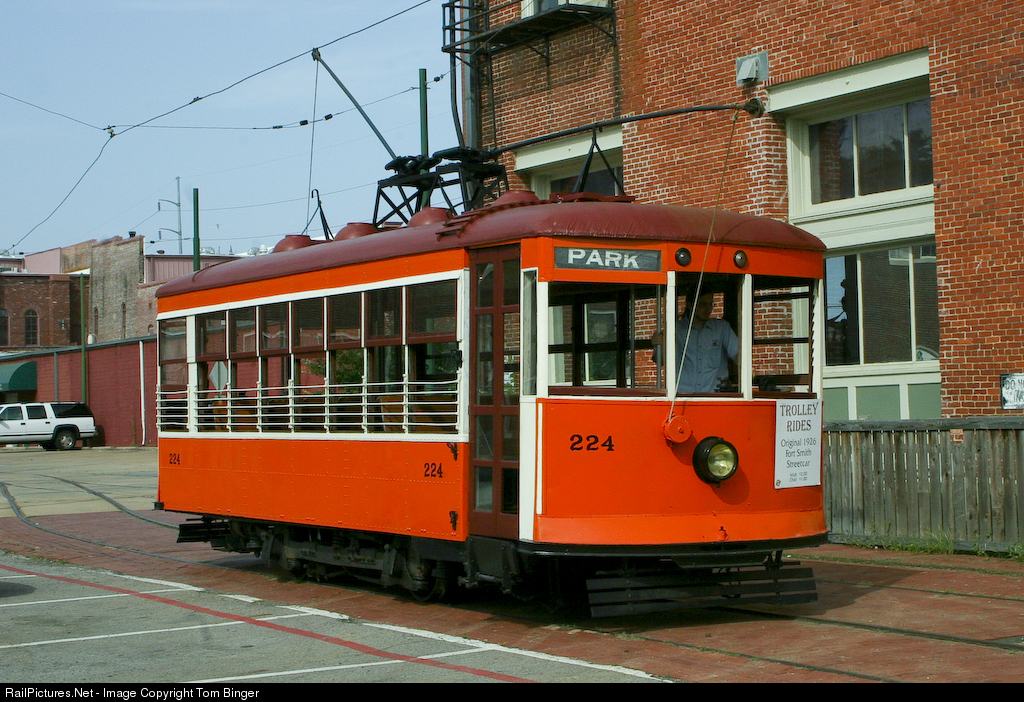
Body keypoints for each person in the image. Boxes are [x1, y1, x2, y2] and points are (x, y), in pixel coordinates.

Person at [652, 291, 739, 394]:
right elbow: (659, 360)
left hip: (714, 396)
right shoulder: (674, 330)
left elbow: (737, 353)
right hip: (682, 396)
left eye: (710, 304)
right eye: (703, 304)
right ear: (690, 305)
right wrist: (659, 344)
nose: (708, 309)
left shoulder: (721, 328)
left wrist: (747, 368)